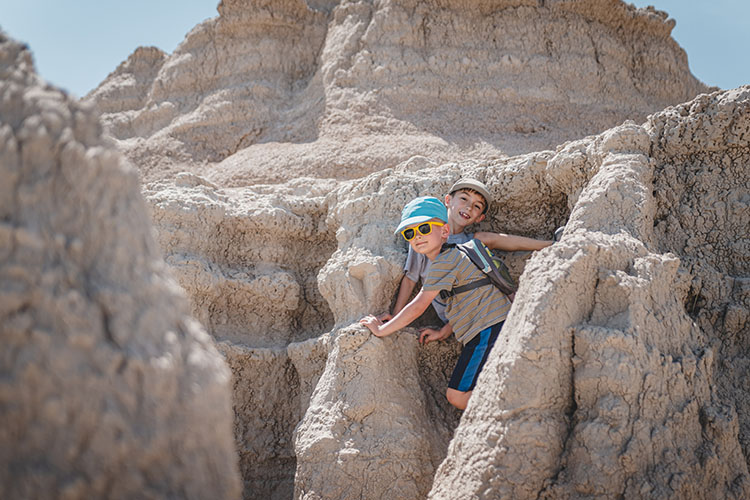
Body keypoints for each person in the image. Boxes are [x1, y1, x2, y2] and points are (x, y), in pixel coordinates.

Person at [360, 195, 551, 410]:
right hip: (487, 329)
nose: (417, 237)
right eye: (409, 233)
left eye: (424, 229)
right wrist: (444, 332)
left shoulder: (444, 262)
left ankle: (518, 410)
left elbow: (418, 307)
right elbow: (467, 301)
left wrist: (382, 330)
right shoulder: (450, 258)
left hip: (489, 329)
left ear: (444, 232)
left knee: (457, 395)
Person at [378, 179, 552, 348]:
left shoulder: (468, 246)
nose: (469, 207)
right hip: (457, 318)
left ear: (480, 217)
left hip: (477, 314)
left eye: (477, 206)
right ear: (448, 200)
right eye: (464, 199)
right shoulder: (423, 236)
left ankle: (549, 244)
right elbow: (410, 279)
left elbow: (472, 290)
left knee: (482, 240)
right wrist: (395, 315)